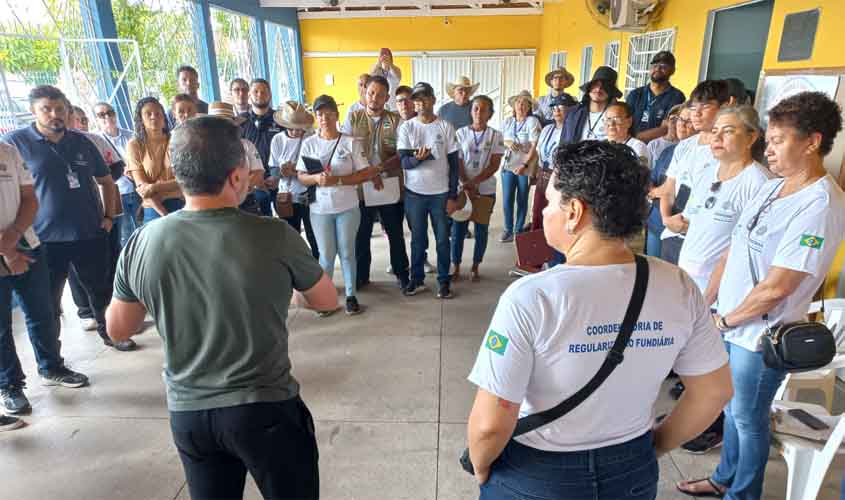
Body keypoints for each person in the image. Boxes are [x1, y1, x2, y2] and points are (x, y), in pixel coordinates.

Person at [466, 140, 732, 499]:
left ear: (574, 211)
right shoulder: (678, 284)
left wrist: (481, 465)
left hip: (538, 474)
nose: (544, 211)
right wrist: (650, 449)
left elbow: (490, 424)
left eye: (550, 202)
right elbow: (714, 391)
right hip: (631, 470)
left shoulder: (533, 296)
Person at [105, 115, 337, 500]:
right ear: (236, 177)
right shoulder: (275, 234)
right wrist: (291, 292)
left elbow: (118, 329)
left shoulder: (143, 241)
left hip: (190, 414)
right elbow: (326, 300)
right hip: (265, 408)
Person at [677, 92, 845, 499]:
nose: (768, 149)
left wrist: (725, 320)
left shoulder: (820, 204)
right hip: (731, 322)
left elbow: (778, 287)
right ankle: (724, 478)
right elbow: (732, 250)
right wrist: (708, 305)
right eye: (768, 140)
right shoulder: (773, 187)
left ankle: (742, 493)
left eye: (779, 140)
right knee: (731, 409)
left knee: (748, 418)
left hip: (759, 335)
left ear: (812, 142)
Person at [3, 85, 132, 351]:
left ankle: (112, 334)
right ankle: (52, 360)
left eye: (60, 109)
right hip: (44, 239)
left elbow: (107, 182)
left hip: (89, 232)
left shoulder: (82, 142)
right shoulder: (16, 143)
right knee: (47, 304)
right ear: (33, 111)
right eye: (46, 109)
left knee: (101, 291)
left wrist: (109, 216)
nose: (54, 115)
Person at [673, 106, 770, 456]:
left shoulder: (758, 183)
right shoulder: (709, 171)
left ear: (752, 137)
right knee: (695, 358)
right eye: (715, 130)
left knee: (715, 363)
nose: (716, 137)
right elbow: (693, 219)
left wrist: (710, 295)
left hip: (720, 290)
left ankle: (712, 426)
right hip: (691, 277)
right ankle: (695, 414)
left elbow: (741, 250)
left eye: (728, 131)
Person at [0, 140, 89, 416]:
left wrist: (14, 236)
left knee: (42, 312)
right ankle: (10, 385)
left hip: (26, 243)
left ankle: (51, 367)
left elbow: (30, 198)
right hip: (8, 250)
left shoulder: (8, 151)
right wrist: (6, 252)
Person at [297, 95, 378, 315]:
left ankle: (351, 295)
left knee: (347, 252)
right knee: (326, 255)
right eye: (320, 114)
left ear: (336, 115)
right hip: (319, 209)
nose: (324, 118)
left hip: (347, 207)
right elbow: (301, 176)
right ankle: (326, 298)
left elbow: (364, 173)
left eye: (328, 114)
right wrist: (316, 179)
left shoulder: (350, 142)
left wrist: (337, 180)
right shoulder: (309, 144)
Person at [342, 75, 410, 290]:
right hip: (361, 186)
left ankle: (401, 273)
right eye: (371, 93)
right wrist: (369, 173)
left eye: (380, 95)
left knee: (395, 232)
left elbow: (402, 154)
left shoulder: (396, 121)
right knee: (361, 234)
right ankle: (361, 276)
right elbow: (346, 151)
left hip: (389, 185)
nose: (374, 98)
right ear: (365, 93)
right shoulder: (353, 118)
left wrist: (378, 170)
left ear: (387, 98)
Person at [397, 82, 461, 299]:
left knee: (443, 239)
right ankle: (417, 280)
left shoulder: (445, 127)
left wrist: (452, 196)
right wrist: (417, 159)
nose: (420, 103)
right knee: (417, 239)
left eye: (424, 98)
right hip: (414, 193)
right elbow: (404, 162)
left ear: (433, 100)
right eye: (416, 99)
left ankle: (444, 281)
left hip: (440, 194)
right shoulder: (407, 127)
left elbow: (454, 165)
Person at [659, 80, 730, 265]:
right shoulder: (685, 146)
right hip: (673, 234)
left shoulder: (728, 150)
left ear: (724, 107)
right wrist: (666, 219)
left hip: (705, 243)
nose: (696, 114)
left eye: (705, 107)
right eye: (693, 107)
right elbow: (668, 189)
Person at [451, 95, 504, 282]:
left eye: (483, 109)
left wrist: (474, 183)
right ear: (470, 111)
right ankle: (456, 266)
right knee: (458, 230)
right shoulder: (460, 133)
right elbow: (457, 161)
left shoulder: (496, 136)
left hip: (485, 190)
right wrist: (466, 183)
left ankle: (475, 266)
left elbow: (494, 165)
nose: (479, 113)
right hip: (462, 190)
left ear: (490, 113)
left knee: (481, 230)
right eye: (475, 108)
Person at [270, 101, 320, 259]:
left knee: (314, 235)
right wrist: (282, 172)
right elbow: (273, 168)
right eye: (292, 127)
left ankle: (317, 266)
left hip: (309, 194)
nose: (296, 131)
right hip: (287, 196)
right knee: (291, 238)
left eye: (299, 127)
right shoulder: (277, 140)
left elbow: (317, 169)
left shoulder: (310, 139)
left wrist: (296, 171)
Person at [395, 84, 435, 275]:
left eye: (407, 100)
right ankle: (400, 261)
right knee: (395, 227)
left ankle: (422, 258)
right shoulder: (392, 123)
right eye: (399, 101)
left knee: (417, 227)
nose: (403, 104)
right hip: (394, 184)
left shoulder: (423, 123)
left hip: (418, 185)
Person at [126, 97, 183, 224]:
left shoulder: (177, 140)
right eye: (148, 113)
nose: (154, 117)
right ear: (141, 119)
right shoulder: (135, 145)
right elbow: (143, 189)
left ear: (164, 117)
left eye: (158, 113)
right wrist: (165, 215)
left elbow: (186, 180)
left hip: (181, 203)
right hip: (154, 209)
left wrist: (155, 187)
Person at [646, 104, 692, 259]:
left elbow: (670, 189)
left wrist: (656, 192)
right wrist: (653, 190)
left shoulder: (702, 156)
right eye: (680, 119)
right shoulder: (668, 151)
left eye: (689, 121)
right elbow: (652, 180)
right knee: (652, 265)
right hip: (656, 221)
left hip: (679, 226)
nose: (682, 124)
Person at [93, 102, 138, 246]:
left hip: (136, 189)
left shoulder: (131, 135)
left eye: (110, 112)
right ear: (96, 119)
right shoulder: (95, 141)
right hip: (116, 194)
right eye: (101, 115)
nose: (107, 117)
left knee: (143, 228)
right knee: (125, 235)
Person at [499, 90, 541, 243]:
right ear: (514, 106)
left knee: (522, 198)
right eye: (518, 102)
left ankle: (518, 230)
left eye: (524, 103)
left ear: (529, 107)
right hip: (508, 165)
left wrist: (525, 165)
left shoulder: (532, 122)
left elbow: (534, 146)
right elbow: (499, 140)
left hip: (525, 166)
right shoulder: (507, 122)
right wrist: (507, 142)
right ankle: (508, 229)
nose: (521, 106)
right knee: (507, 199)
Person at [207, 101, 266, 204]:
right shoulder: (203, 149)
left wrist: (240, 189)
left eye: (226, 123)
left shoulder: (246, 145)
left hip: (245, 200)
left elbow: (258, 173)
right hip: (213, 202)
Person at [532, 95, 576, 233]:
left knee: (555, 215)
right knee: (537, 211)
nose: (556, 110)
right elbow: (538, 151)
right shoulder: (547, 129)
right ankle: (536, 242)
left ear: (571, 110)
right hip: (542, 174)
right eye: (554, 107)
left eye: (561, 107)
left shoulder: (572, 132)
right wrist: (533, 172)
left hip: (558, 176)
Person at [240, 78, 283, 216]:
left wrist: (278, 176)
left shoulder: (280, 119)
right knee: (262, 224)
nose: (260, 94)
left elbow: (289, 149)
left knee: (287, 223)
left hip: (280, 180)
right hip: (253, 185)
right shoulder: (241, 121)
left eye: (264, 91)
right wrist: (254, 180)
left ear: (270, 94)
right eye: (256, 91)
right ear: (249, 95)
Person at [626, 51, 686, 143]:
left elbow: (665, 128)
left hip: (657, 147)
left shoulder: (676, 96)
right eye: (654, 65)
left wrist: (633, 140)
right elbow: (624, 120)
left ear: (672, 70)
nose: (658, 68)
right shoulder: (635, 94)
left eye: (663, 66)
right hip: (630, 146)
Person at [560, 66, 622, 145]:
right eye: (595, 84)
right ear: (589, 87)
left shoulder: (618, 118)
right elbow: (563, 144)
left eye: (605, 86)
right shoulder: (573, 114)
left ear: (611, 92)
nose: (598, 89)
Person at [604, 102, 651, 168]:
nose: (611, 123)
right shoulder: (600, 145)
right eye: (608, 119)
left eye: (616, 119)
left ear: (629, 122)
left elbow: (641, 172)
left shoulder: (638, 147)